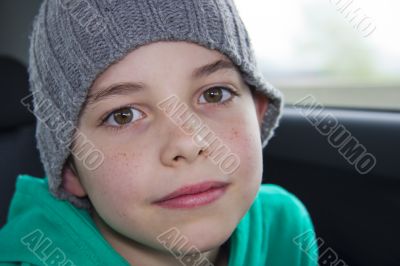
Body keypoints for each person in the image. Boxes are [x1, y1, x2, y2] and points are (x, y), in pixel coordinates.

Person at [0, 0, 318, 265]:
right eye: (123, 115)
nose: (188, 142)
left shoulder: (285, 228)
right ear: (70, 168)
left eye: (214, 94)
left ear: (259, 112)